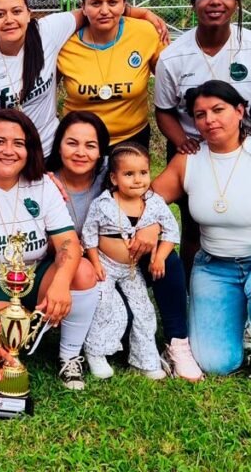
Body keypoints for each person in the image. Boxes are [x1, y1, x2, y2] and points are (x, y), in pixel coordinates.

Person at [151, 80, 251, 388]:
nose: (209, 120)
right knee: (216, 363)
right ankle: (243, 319)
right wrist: (149, 228)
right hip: (214, 267)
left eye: (218, 110)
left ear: (240, 111)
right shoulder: (189, 159)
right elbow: (148, 200)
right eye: (200, 115)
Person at [154, 0, 251, 276]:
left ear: (238, 2)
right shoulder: (173, 56)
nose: (215, 1)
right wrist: (182, 141)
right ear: (193, 3)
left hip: (245, 150)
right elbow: (163, 110)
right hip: (192, 151)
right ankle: (195, 295)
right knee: (195, 225)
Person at [0, 109, 98, 390]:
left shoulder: (42, 184)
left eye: (18, 143)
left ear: (29, 149)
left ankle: (69, 356)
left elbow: (68, 243)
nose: (8, 150)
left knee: (83, 272)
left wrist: (61, 283)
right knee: (7, 337)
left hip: (34, 276)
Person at [47, 113, 203, 382]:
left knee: (167, 263)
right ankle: (95, 350)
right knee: (117, 313)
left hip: (128, 262)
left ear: (101, 153)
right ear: (58, 145)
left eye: (91, 145)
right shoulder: (46, 183)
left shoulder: (114, 171)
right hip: (83, 264)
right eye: (72, 143)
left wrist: (150, 225)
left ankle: (177, 342)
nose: (81, 152)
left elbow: (146, 193)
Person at [0, 0, 168, 159]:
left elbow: (97, 9)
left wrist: (142, 13)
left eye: (17, 11)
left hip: (47, 147)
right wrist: (11, 153)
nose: (9, 20)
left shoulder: (49, 31)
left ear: (29, 14)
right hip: (4, 152)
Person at [80, 143, 181, 381]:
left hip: (132, 270)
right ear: (114, 178)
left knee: (144, 311)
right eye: (129, 174)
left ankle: (144, 359)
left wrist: (160, 257)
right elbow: (89, 236)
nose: (138, 180)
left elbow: (171, 232)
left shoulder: (154, 203)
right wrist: (95, 263)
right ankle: (96, 351)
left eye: (143, 173)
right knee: (106, 306)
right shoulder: (103, 204)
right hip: (106, 265)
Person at [58, 0, 166, 151]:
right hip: (80, 144)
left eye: (113, 2)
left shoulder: (146, 33)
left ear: (124, 5)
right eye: (95, 3)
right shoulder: (64, 43)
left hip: (132, 139)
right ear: (82, 7)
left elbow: (171, 80)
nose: (104, 11)